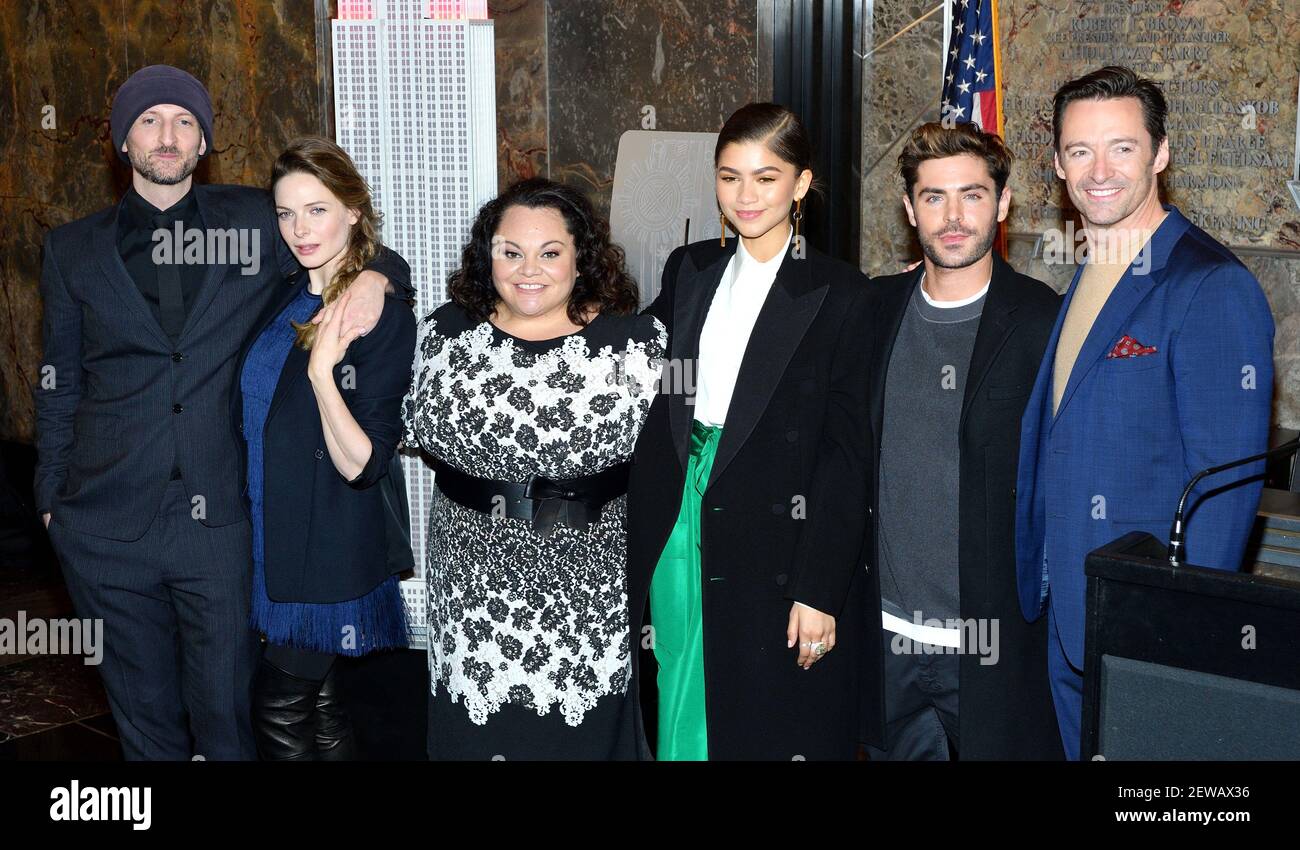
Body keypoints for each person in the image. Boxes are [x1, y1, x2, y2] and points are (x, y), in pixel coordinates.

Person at [33, 65, 411, 760]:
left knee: (230, 716)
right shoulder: (72, 249)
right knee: (142, 722)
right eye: (149, 121)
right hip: (104, 522)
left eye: (184, 121)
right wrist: (52, 500)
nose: (167, 136)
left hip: (219, 522)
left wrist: (383, 277)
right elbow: (58, 384)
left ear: (204, 140)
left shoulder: (254, 220)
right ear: (122, 142)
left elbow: (341, 239)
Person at [1016, 65, 1275, 759]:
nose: (1099, 170)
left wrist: (1174, 643)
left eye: (1122, 148)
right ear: (1058, 163)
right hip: (1069, 616)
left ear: (1160, 154)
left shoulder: (1211, 284)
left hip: (1145, 636)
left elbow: (1221, 488)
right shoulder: (1085, 272)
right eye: (1079, 151)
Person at [627, 102, 876, 760]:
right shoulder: (691, 269)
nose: (746, 196)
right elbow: (641, 362)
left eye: (766, 178)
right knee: (678, 675)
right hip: (679, 514)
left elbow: (846, 457)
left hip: (775, 535)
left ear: (801, 184)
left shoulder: (841, 292)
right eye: (730, 176)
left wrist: (820, 589)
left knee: (761, 710)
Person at [402, 177, 666, 760]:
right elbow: (407, 429)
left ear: (582, 259)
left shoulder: (636, 343)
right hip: (469, 602)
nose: (529, 269)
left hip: (587, 603)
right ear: (487, 255)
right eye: (510, 251)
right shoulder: (446, 333)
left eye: (550, 253)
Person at [862, 121, 1062, 760]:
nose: (953, 216)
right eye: (933, 197)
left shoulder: (1040, 321)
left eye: (972, 195)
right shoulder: (871, 310)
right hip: (885, 638)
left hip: (991, 646)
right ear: (909, 207)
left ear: (1002, 204)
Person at [235, 137, 415, 760]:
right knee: (323, 704)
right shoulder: (284, 290)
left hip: (326, 549)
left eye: (317, 209)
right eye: (286, 213)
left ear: (353, 211)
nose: (299, 228)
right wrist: (378, 269)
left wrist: (322, 374)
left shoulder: (376, 316)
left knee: (278, 711)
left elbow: (365, 463)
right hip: (269, 533)